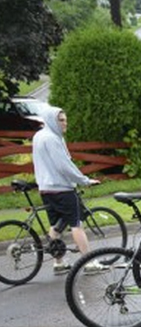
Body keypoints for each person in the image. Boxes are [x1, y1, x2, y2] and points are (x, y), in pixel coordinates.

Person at [31, 106, 99, 274]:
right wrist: (84, 180)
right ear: (51, 120)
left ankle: (59, 262)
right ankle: (89, 263)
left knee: (56, 226)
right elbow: (64, 166)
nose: (64, 123)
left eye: (65, 119)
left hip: (46, 188)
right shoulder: (52, 139)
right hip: (61, 188)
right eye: (60, 120)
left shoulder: (39, 136)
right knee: (76, 224)